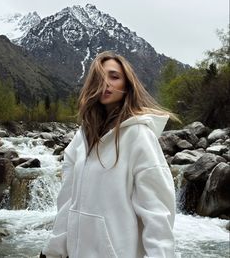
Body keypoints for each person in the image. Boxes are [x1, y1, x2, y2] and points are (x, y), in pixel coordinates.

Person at [41, 51, 177, 258]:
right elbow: (68, 202)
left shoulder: (138, 134)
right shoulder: (83, 137)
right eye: (99, 78)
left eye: (114, 77)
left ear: (127, 85)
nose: (106, 83)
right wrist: (53, 249)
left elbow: (157, 210)